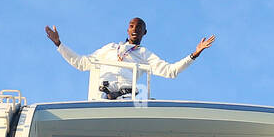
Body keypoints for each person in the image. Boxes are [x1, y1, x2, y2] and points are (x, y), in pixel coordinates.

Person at [44, 17, 215, 100]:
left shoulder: (144, 54)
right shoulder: (110, 48)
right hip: (102, 98)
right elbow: (81, 63)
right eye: (132, 26)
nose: (135, 29)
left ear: (144, 32)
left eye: (139, 27)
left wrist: (194, 54)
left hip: (127, 100)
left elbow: (170, 71)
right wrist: (59, 44)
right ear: (127, 30)